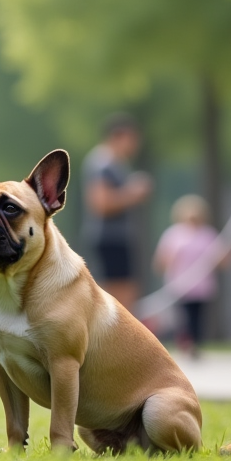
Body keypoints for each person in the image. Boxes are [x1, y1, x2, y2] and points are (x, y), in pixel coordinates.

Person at [82, 113, 152, 312]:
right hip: (109, 238)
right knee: (119, 295)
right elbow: (100, 203)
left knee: (127, 292)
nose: (135, 145)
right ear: (118, 136)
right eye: (132, 139)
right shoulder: (102, 163)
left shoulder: (116, 163)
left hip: (118, 237)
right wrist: (133, 193)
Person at [153, 195, 227, 359]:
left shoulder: (208, 234)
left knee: (198, 317)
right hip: (180, 285)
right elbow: (161, 261)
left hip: (202, 286)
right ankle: (185, 344)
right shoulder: (173, 234)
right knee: (182, 317)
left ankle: (196, 345)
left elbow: (222, 259)